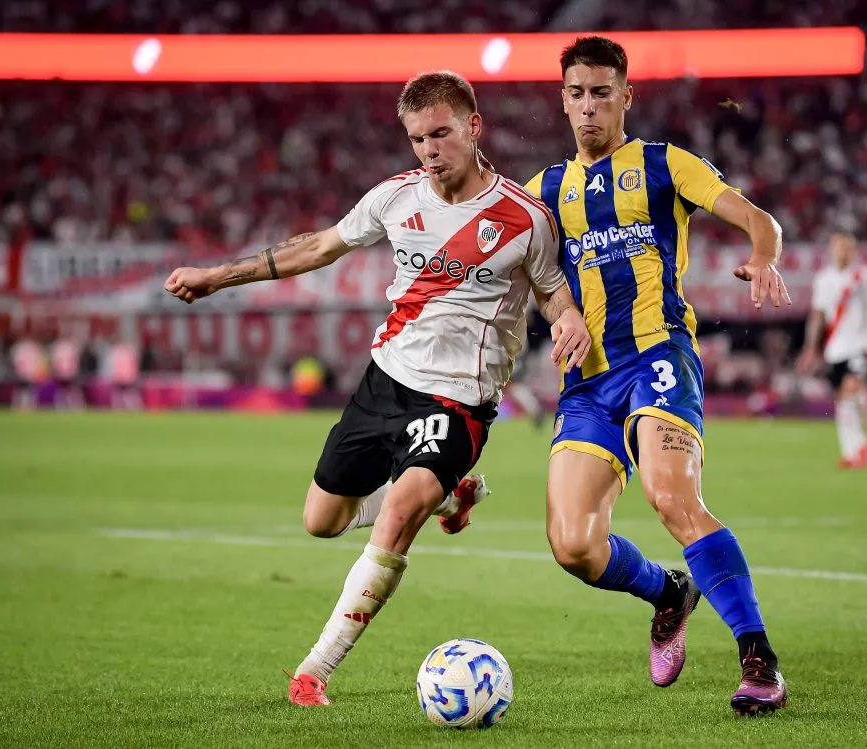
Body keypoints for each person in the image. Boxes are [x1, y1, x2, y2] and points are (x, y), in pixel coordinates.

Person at [163, 70, 591, 708]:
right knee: (320, 521)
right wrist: (217, 277)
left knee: (395, 515)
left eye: (441, 133)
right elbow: (318, 248)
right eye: (418, 139)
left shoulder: (525, 219)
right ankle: (451, 496)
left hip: (458, 401)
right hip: (384, 382)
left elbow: (555, 292)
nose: (429, 150)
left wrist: (571, 319)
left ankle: (314, 670)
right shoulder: (394, 197)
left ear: (474, 127)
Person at [524, 37, 790, 716]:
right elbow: (520, 277)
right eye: (577, 93)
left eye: (602, 92)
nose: (589, 106)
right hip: (587, 380)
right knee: (573, 544)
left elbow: (759, 220)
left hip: (659, 356)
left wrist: (761, 257)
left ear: (625, 96)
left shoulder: (663, 164)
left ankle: (760, 660)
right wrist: (557, 316)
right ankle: (668, 593)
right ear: (563, 100)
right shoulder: (544, 193)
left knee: (669, 497)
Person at [799, 232, 867, 468]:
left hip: (861, 346)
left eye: (848, 247)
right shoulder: (824, 279)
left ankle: (860, 449)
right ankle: (852, 451)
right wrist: (810, 348)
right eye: (839, 247)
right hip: (835, 348)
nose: (843, 251)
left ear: (855, 250)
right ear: (831, 249)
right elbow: (817, 316)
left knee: (850, 391)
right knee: (843, 401)